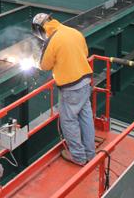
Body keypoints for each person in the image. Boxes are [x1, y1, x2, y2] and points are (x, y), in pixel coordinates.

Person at [32, 13, 96, 166]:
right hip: (85, 81)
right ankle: (90, 154)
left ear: (40, 29)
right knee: (85, 117)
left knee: (68, 121)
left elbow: (44, 65)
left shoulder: (52, 40)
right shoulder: (74, 32)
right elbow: (84, 53)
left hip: (71, 87)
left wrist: (35, 61)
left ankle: (79, 157)